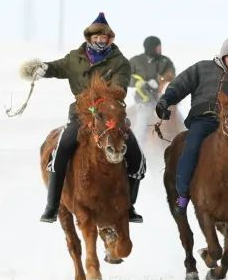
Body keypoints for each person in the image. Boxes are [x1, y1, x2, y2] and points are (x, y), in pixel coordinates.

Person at [21, 12, 146, 223]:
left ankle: (129, 206)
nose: (100, 41)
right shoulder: (74, 58)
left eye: (104, 37)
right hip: (80, 115)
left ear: (110, 39)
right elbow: (57, 67)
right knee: (60, 151)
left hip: (110, 116)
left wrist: (102, 96)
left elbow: (121, 88)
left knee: (137, 158)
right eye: (96, 37)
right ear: (89, 38)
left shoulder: (120, 62)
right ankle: (52, 206)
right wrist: (43, 69)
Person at [155, 37, 228, 221]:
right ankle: (182, 196)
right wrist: (167, 100)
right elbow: (181, 84)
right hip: (203, 120)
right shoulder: (202, 68)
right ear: (223, 55)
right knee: (191, 147)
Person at [129, 36, 175, 105]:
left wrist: (159, 81)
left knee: (175, 114)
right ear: (150, 47)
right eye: (158, 47)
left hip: (162, 100)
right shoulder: (136, 61)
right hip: (142, 100)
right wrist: (137, 82)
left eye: (160, 46)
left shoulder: (165, 61)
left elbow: (171, 75)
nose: (160, 49)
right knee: (140, 114)